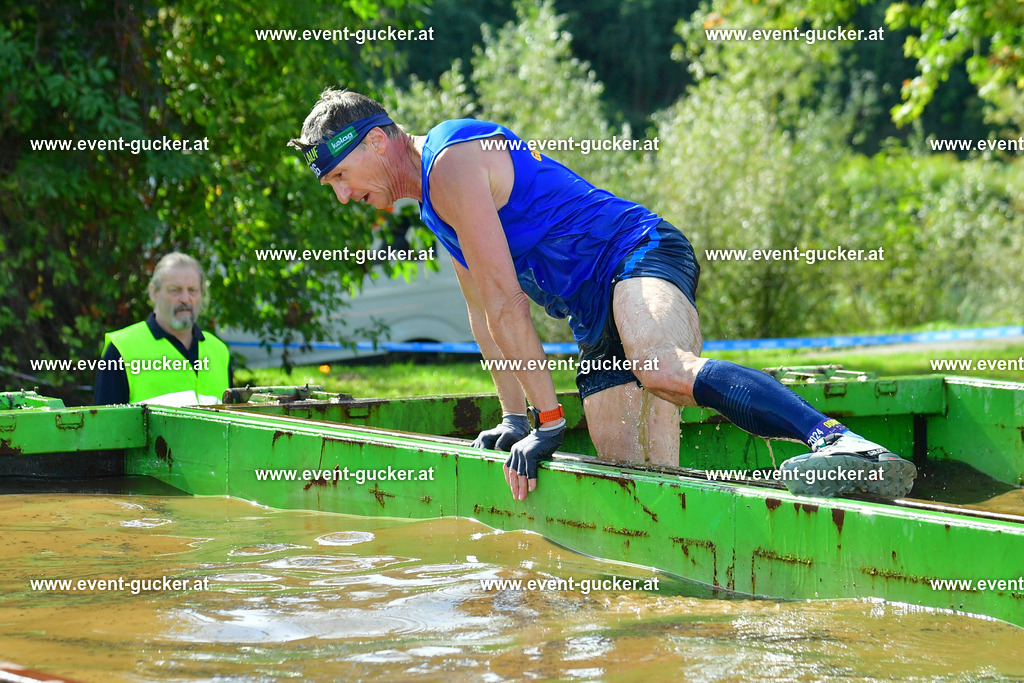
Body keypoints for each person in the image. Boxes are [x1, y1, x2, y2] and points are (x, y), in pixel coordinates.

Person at [289, 88, 916, 501]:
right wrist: (514, 419)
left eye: (341, 176)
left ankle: (838, 443)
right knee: (633, 479)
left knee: (660, 368)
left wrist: (549, 423)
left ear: (378, 141)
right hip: (594, 312)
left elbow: (510, 304)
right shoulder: (434, 206)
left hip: (638, 252)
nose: (343, 196)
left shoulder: (451, 161)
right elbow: (483, 316)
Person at [94, 252, 231, 406]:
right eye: (175, 290)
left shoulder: (220, 352)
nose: (185, 299)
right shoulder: (121, 349)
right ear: (153, 292)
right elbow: (106, 421)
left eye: (192, 290)